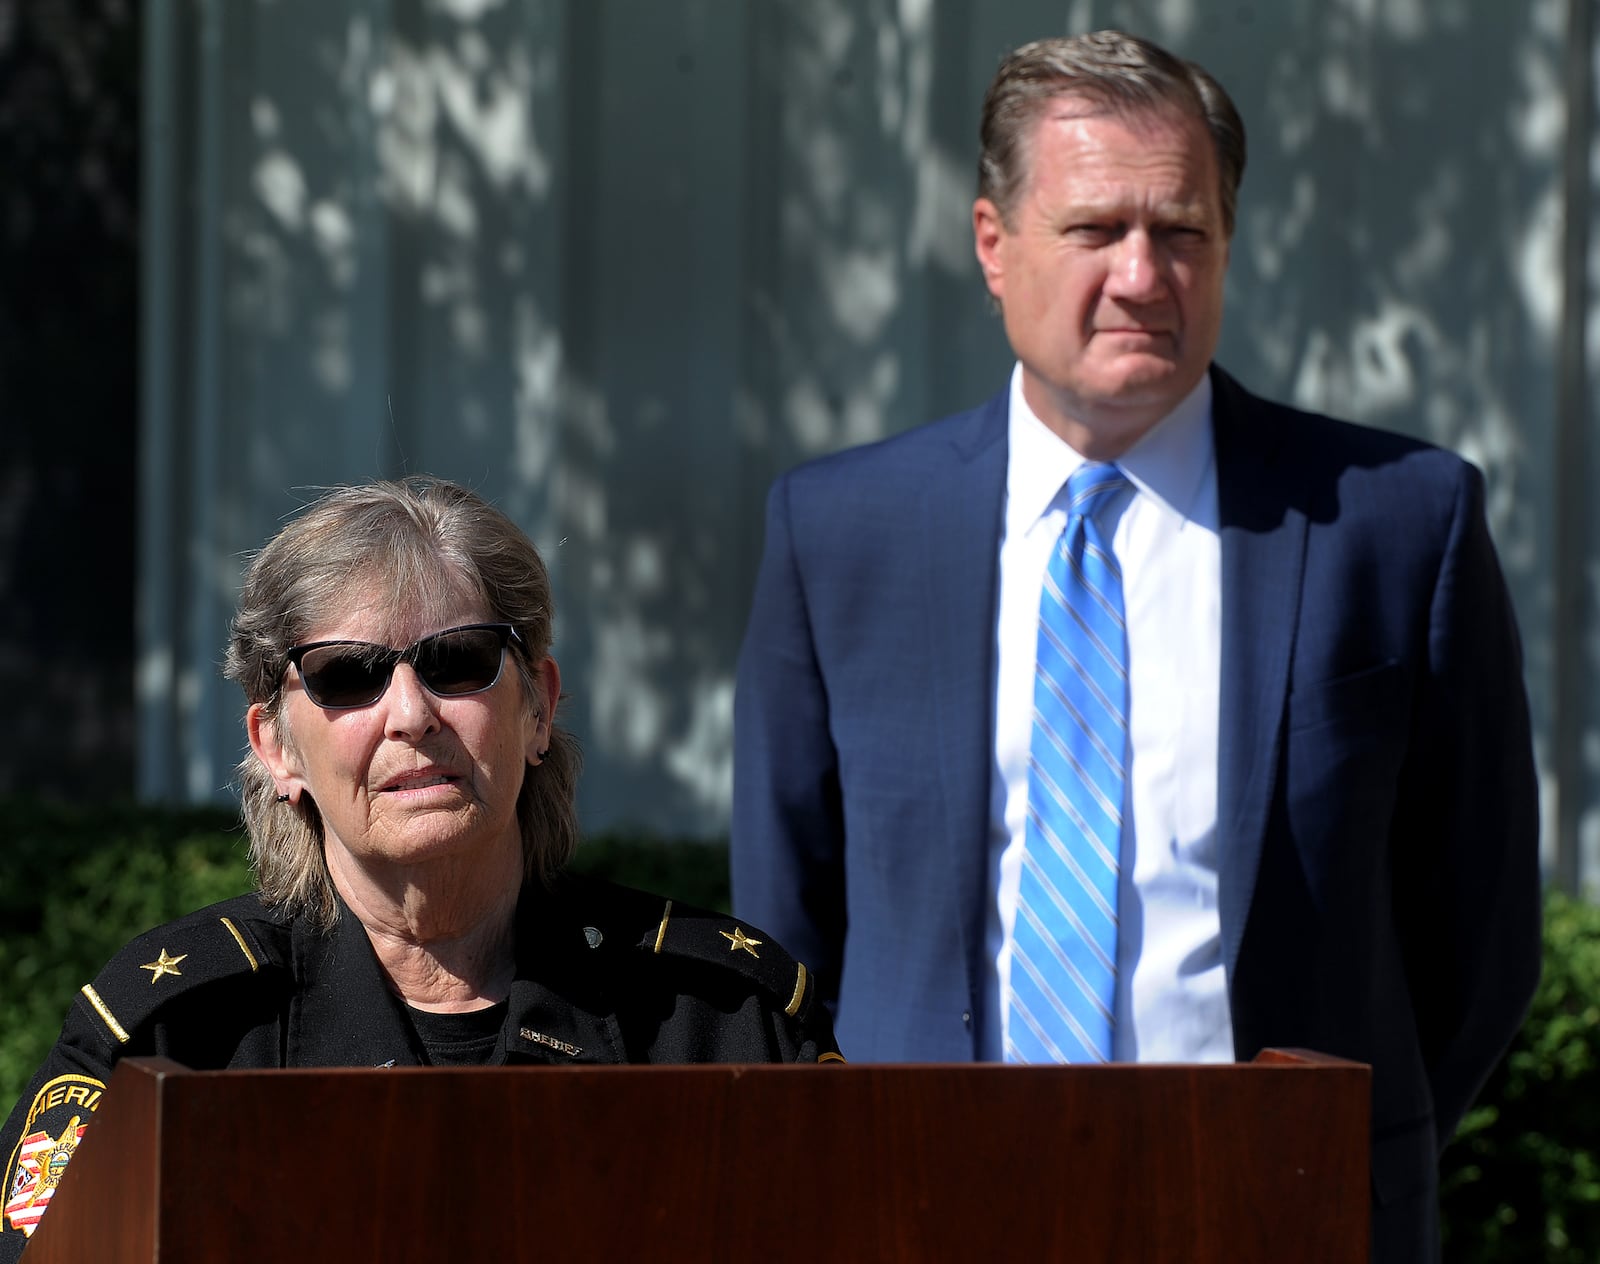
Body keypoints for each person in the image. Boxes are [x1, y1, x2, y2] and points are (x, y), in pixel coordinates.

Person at [731, 29, 1539, 1262]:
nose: (1143, 274)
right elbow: (785, 927)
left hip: (1280, 1209)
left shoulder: (1394, 518)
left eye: (1182, 231)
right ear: (994, 245)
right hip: (922, 1205)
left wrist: (1354, 1144)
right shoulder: (841, 531)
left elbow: (1477, 928)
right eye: (1095, 229)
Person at [2, 477, 840, 1258]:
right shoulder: (178, 1037)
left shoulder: (722, 1020)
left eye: (458, 660)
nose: (410, 714)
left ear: (539, 706)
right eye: (347, 676)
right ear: (275, 747)